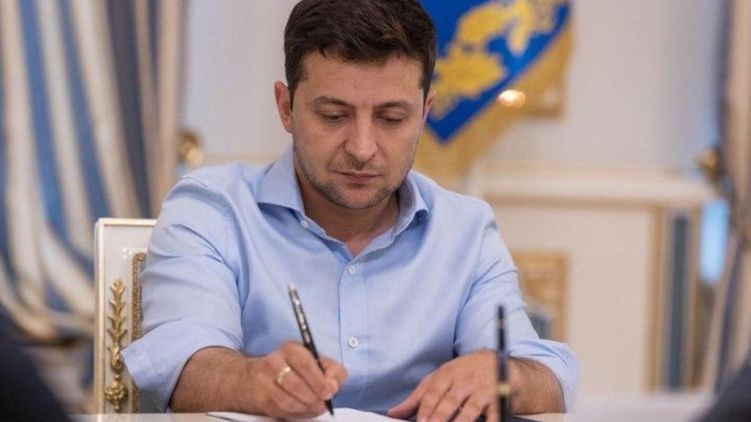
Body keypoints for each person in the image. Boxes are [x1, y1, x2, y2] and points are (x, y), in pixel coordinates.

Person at [121, 0, 578, 420]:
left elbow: (549, 378)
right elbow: (183, 366)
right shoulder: (212, 210)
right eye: (334, 116)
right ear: (286, 107)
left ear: (424, 113)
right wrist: (254, 381)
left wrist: (505, 376)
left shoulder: (466, 230)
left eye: (391, 119)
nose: (362, 149)